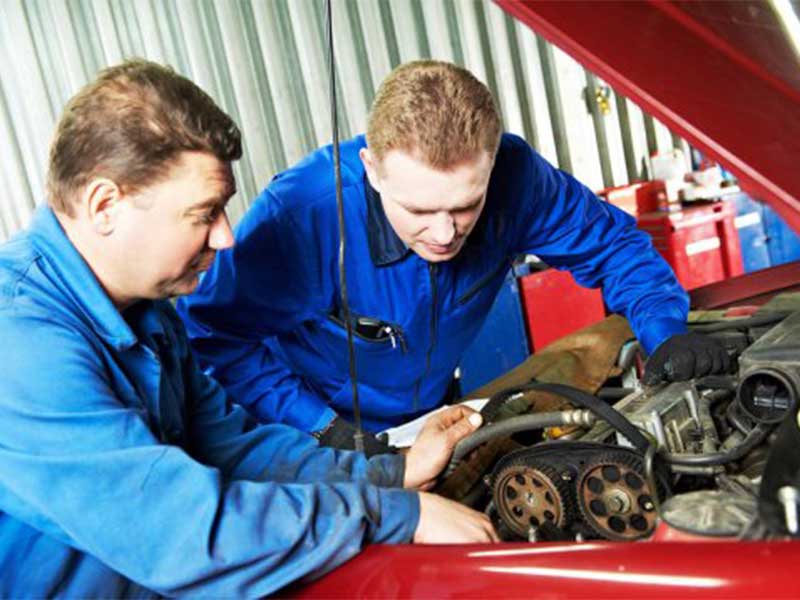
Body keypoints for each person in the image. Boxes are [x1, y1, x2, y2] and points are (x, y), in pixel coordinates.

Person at [0, 59, 498, 599]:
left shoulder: (150, 314)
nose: (226, 237)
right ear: (105, 205)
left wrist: (389, 474)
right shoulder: (20, 342)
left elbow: (236, 448)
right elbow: (181, 531)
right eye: (204, 212)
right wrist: (394, 514)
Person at [177, 59, 730, 454]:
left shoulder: (517, 180)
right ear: (371, 169)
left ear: (491, 166)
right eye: (418, 209)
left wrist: (665, 332)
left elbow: (615, 246)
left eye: (467, 205)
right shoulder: (304, 216)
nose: (444, 233)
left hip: (433, 414)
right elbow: (214, 336)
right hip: (309, 429)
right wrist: (318, 427)